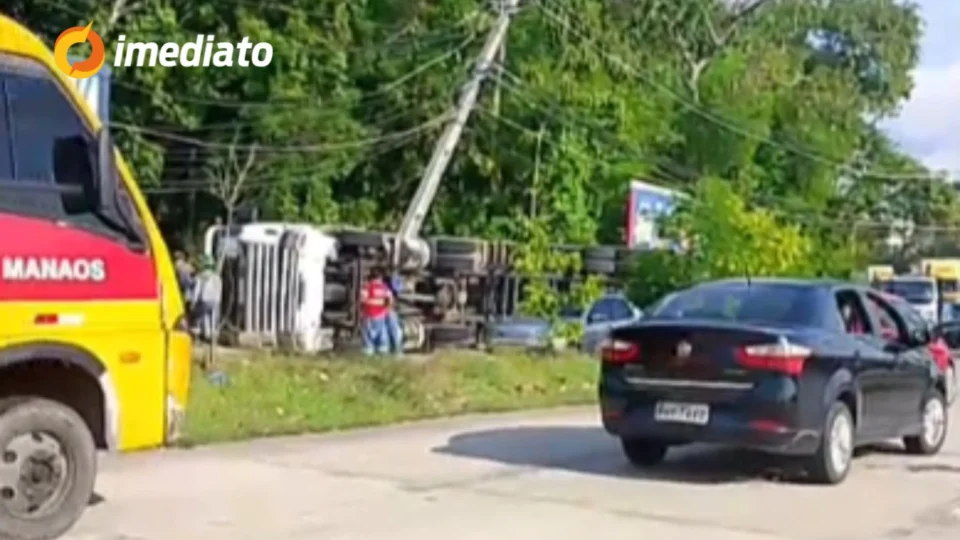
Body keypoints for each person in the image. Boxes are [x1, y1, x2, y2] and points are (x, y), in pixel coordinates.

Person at [360, 268, 393, 356]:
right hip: (380, 314)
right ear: (380, 277)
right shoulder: (384, 287)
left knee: (368, 333)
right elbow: (390, 298)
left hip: (369, 314)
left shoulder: (368, 286)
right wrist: (387, 309)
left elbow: (362, 299)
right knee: (381, 332)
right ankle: (382, 349)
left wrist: (362, 310)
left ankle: (368, 350)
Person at [191, 256, 223, 343]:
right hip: (216, 301)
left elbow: (196, 291)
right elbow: (219, 290)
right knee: (212, 317)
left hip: (204, 300)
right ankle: (213, 334)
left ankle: (204, 334)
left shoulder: (201, 277)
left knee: (200, 315)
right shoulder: (217, 277)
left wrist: (193, 303)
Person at [384, 272, 404, 355]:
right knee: (395, 331)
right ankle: (396, 350)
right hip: (386, 313)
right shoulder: (387, 291)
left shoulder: (389, 291)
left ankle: (395, 349)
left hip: (385, 313)